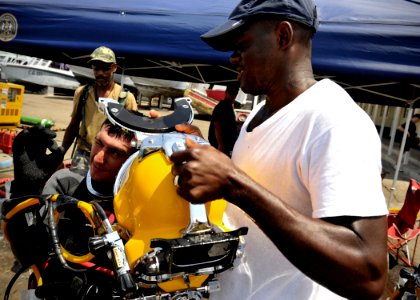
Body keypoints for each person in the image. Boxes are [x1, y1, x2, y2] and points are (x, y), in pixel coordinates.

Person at [170, 0, 388, 299]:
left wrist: (234, 183)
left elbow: (368, 274)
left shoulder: (333, 119)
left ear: (283, 36)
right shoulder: (258, 117)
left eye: (241, 44)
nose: (233, 58)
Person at [62, 46, 138, 175]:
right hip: (83, 155)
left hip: (111, 158)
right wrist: (61, 154)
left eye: (105, 68)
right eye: (96, 68)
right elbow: (73, 125)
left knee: (102, 193)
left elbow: (134, 136)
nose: (100, 73)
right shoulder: (82, 93)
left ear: (114, 68)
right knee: (76, 190)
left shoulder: (126, 98)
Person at [208, 82, 240, 156]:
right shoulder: (222, 106)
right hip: (220, 146)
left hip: (225, 145)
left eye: (235, 93)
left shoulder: (228, 106)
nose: (233, 96)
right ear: (226, 92)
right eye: (231, 93)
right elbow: (217, 125)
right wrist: (220, 144)